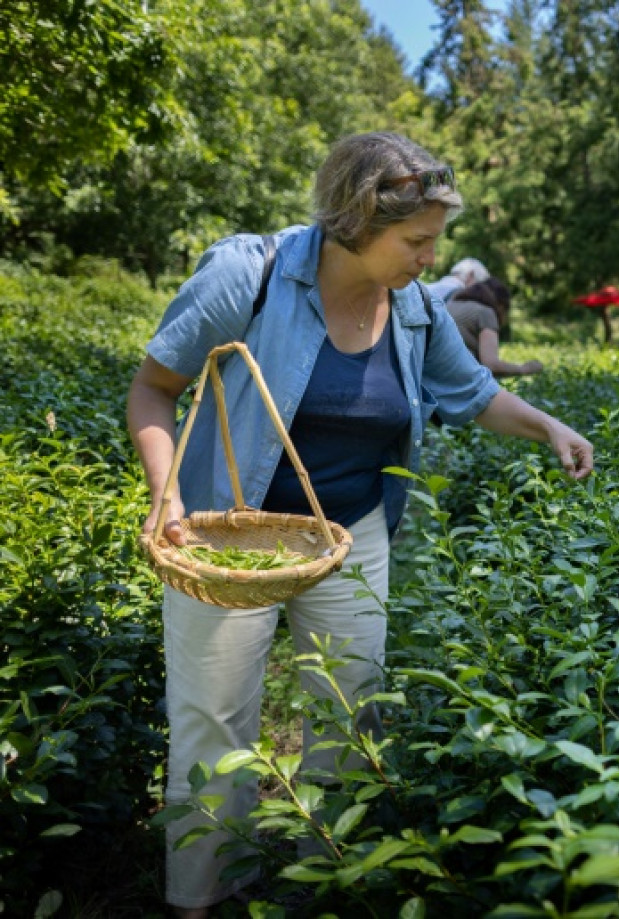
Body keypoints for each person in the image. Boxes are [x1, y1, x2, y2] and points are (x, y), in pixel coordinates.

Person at [125, 132, 593, 916]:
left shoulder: (413, 304)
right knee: (213, 722)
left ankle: (325, 882)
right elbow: (152, 389)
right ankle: (201, 897)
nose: (428, 258)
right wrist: (165, 497)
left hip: (353, 533)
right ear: (357, 221)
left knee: (351, 713)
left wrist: (548, 426)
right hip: (226, 536)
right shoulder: (251, 272)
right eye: (416, 241)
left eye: (434, 242)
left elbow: (472, 392)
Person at [444, 276, 543, 377]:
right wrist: (525, 369)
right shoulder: (485, 312)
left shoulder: (448, 305)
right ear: (501, 305)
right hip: (452, 382)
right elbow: (491, 365)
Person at [425, 256, 491, 303]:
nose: (477, 289)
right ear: (470, 275)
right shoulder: (458, 294)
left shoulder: (434, 286)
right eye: (477, 283)